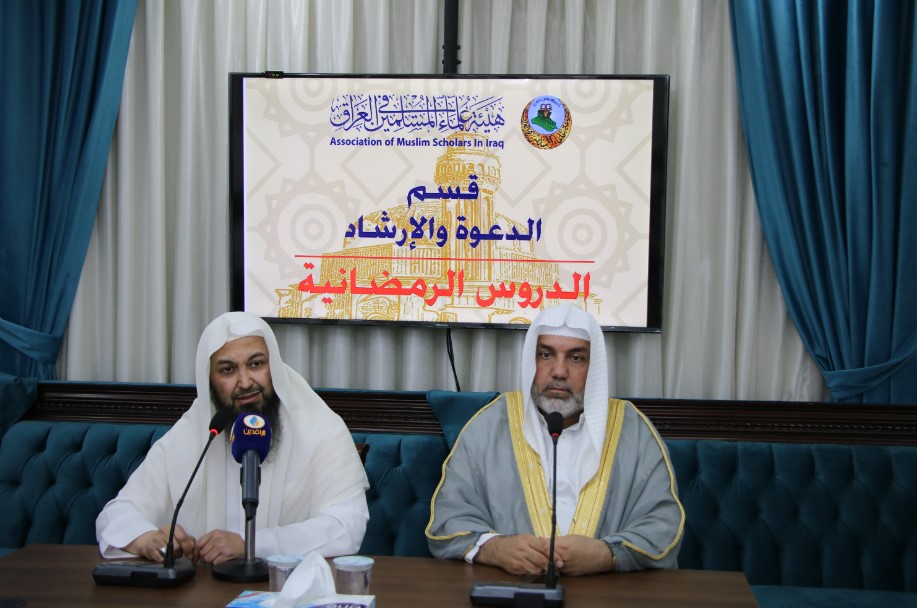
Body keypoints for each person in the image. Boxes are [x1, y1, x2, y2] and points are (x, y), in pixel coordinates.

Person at [425, 304, 684, 576]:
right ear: (531, 360)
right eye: (546, 355)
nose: (559, 371)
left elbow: (663, 525)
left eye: (576, 358)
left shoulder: (633, 431)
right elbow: (448, 517)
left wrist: (606, 554)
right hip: (508, 589)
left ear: (593, 367)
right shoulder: (489, 426)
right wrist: (495, 548)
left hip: (608, 591)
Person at [96, 311, 369, 565]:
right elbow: (116, 515)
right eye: (227, 369)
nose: (245, 382)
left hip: (288, 586)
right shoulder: (194, 433)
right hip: (205, 588)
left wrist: (252, 544)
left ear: (274, 366)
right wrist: (147, 540)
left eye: (256, 364)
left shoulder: (321, 428)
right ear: (210, 380)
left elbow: (347, 526)